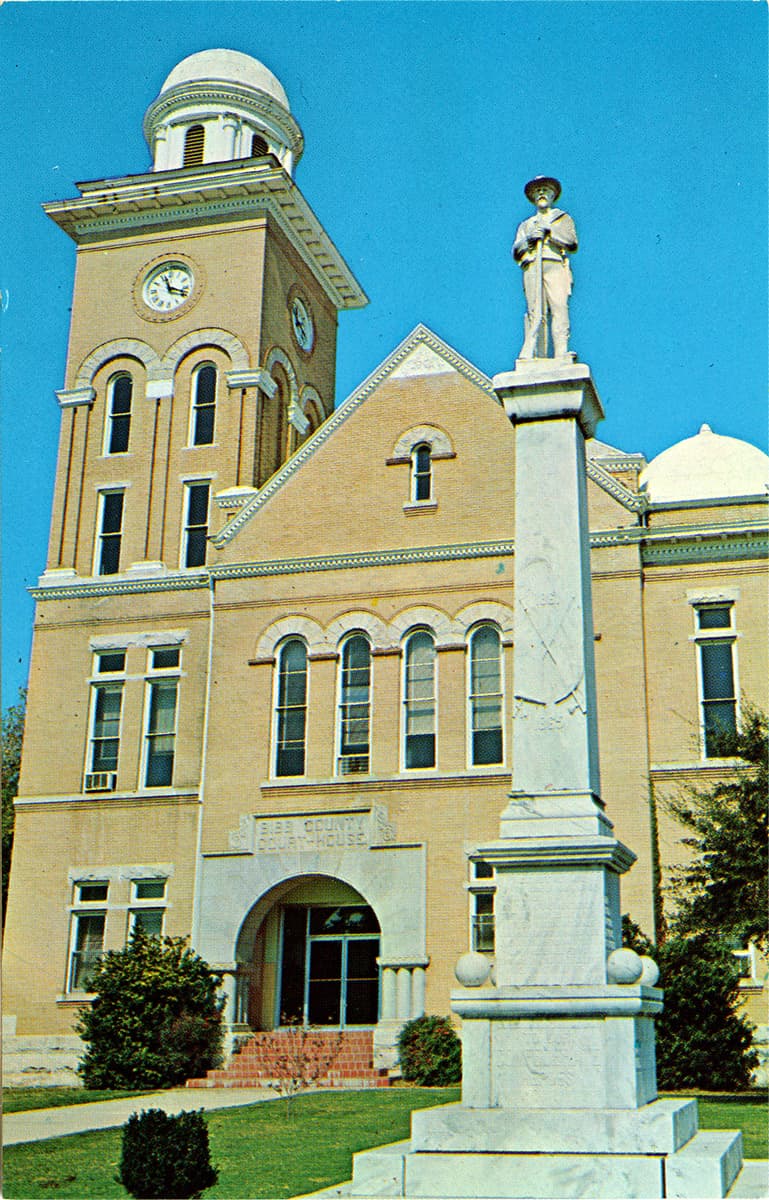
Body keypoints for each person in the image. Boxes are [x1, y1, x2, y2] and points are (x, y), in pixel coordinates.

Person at [513, 176, 577, 359]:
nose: (541, 193)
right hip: (533, 265)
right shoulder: (526, 225)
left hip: (554, 263)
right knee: (535, 309)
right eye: (538, 191)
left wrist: (551, 232)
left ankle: (561, 351)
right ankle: (535, 351)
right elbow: (516, 249)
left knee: (559, 306)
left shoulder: (562, 218)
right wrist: (529, 240)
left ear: (552, 195)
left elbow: (572, 242)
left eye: (545, 190)